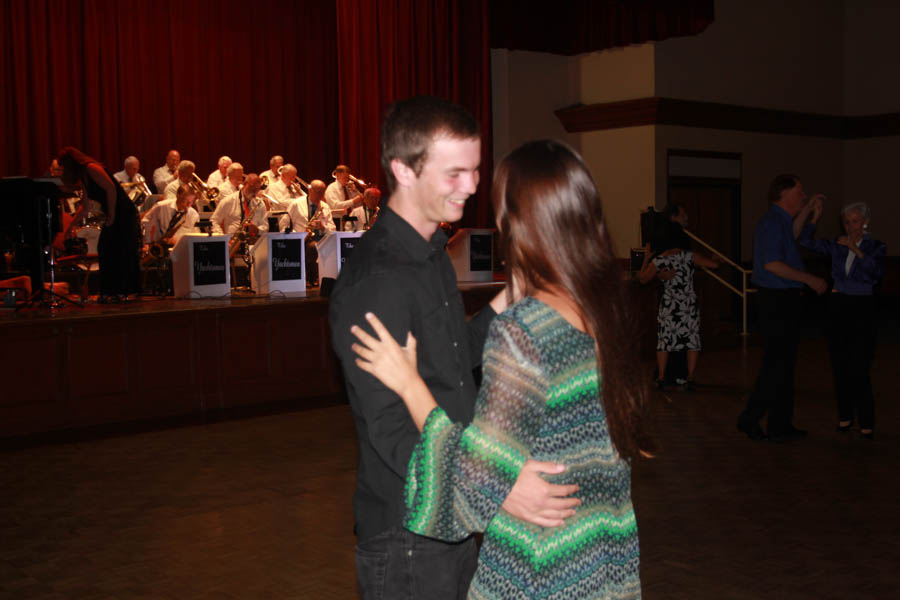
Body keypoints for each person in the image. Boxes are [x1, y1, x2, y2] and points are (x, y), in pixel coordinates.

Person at [349, 139, 653, 599]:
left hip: (542, 569)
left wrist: (411, 386)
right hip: (600, 559)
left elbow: (472, 489)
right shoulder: (601, 310)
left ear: (514, 221)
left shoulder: (523, 332)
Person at [329, 98, 581, 600]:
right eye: (455, 174)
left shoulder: (431, 255)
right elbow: (391, 432)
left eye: (475, 170)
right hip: (409, 531)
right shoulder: (377, 281)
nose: (470, 186)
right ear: (403, 170)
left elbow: (454, 357)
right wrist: (496, 487)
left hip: (454, 510)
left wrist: (513, 294)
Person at [737, 174, 827, 442]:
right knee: (776, 365)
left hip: (784, 299)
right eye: (799, 192)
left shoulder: (780, 221)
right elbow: (771, 264)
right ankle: (749, 418)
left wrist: (810, 213)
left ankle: (780, 423)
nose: (803, 195)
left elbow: (793, 234)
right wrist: (809, 278)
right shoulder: (771, 223)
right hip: (776, 300)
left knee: (785, 365)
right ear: (784, 194)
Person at [798, 200, 886, 440]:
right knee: (840, 365)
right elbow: (805, 242)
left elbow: (874, 273)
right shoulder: (837, 245)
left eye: (855, 221)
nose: (850, 226)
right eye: (846, 221)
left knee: (860, 367)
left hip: (863, 308)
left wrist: (856, 250)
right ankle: (845, 416)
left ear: (865, 222)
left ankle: (866, 420)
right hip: (838, 307)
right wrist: (814, 218)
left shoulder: (876, 246)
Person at [639, 203, 719, 390]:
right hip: (688, 303)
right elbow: (713, 266)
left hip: (669, 304)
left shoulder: (662, 259)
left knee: (665, 341)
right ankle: (689, 377)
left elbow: (643, 279)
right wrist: (715, 259)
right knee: (691, 340)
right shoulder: (689, 256)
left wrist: (646, 258)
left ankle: (660, 377)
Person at [58, 146, 141, 302]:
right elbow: (85, 206)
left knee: (117, 249)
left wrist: (112, 214)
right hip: (115, 212)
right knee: (107, 249)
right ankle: (113, 291)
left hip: (122, 212)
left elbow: (111, 189)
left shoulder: (91, 168)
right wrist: (70, 227)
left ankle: (123, 291)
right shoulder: (84, 176)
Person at [284, 179, 334, 284]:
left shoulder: (325, 206)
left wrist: (323, 227)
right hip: (301, 239)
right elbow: (284, 224)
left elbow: (333, 228)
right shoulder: (296, 204)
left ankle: (320, 278)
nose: (320, 195)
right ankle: (310, 278)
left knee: (315, 246)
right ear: (310, 190)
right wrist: (297, 236)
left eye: (322, 192)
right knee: (312, 247)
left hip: (320, 239)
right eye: (318, 192)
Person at [141, 184, 200, 248]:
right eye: (186, 200)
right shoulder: (161, 206)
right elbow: (146, 222)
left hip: (180, 248)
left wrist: (177, 241)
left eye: (191, 202)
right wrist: (147, 242)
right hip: (158, 245)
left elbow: (195, 236)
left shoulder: (194, 215)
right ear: (178, 196)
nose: (188, 205)